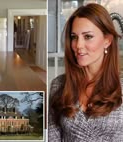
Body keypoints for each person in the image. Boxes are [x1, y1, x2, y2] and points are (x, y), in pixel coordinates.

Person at [48, 3, 123, 142]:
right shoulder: (58, 85)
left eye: (87, 36)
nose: (78, 45)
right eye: (74, 37)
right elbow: (53, 137)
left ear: (107, 40)